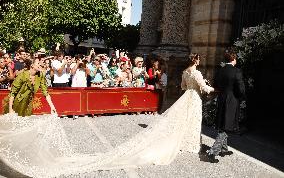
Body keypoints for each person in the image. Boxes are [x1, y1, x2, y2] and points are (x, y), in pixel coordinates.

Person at [0, 53, 214, 177]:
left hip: (27, 106)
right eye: (39, 64)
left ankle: (19, 154)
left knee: (24, 129)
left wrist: (53, 107)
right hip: (16, 104)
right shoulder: (21, 76)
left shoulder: (38, 79)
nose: (41, 66)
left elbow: (45, 93)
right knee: (13, 128)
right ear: (196, 61)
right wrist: (9, 111)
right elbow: (11, 94)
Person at [205, 50, 246, 162]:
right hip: (232, 100)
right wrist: (240, 96)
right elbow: (241, 89)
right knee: (226, 126)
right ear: (233, 59)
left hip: (222, 98)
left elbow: (215, 85)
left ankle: (224, 149)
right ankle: (213, 152)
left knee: (224, 122)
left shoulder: (220, 71)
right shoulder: (237, 71)